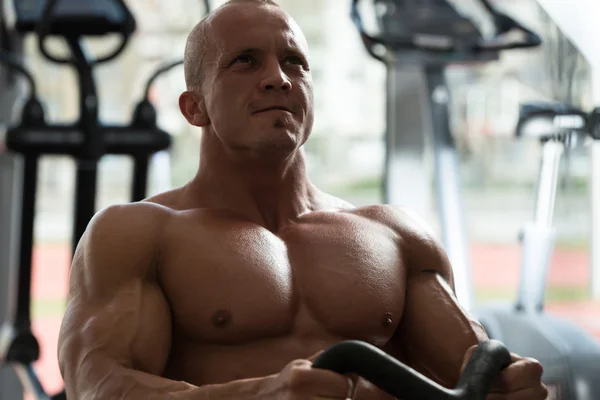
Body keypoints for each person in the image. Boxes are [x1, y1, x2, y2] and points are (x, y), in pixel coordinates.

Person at [57, 0, 548, 399]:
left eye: (293, 62)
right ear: (195, 106)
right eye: (245, 61)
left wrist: (507, 383)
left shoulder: (395, 235)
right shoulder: (136, 233)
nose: (278, 78)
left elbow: (471, 369)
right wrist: (260, 395)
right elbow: (99, 386)